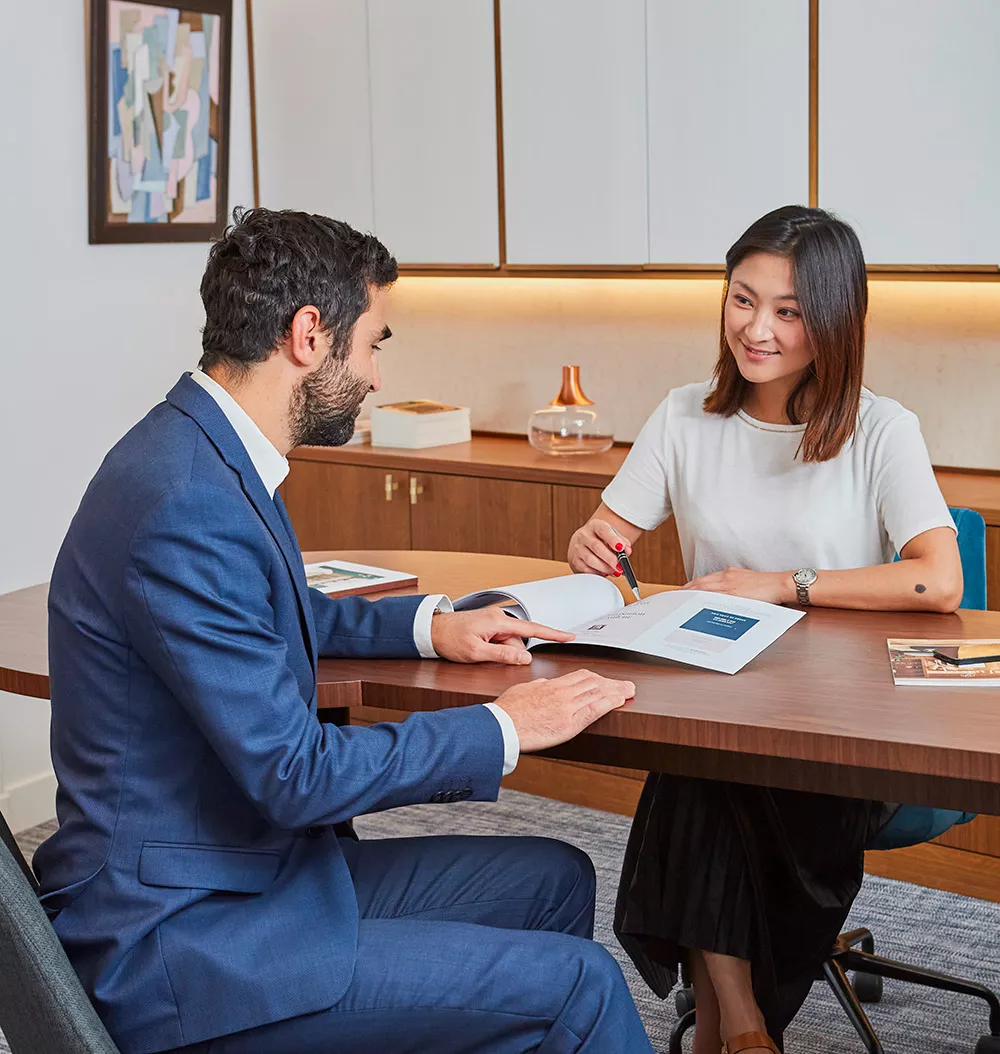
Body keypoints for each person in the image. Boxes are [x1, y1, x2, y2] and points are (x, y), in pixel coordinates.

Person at [34, 207, 655, 1054]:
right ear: (308, 335)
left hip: (244, 882)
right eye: (374, 343)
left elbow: (270, 613)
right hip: (185, 943)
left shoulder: (203, 450)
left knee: (555, 878)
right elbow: (295, 774)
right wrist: (506, 728)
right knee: (579, 989)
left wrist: (435, 625)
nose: (372, 375)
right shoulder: (185, 499)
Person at [567, 205, 962, 1054]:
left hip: (843, 729)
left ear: (833, 320)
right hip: (722, 701)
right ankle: (742, 1032)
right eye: (742, 300)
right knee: (706, 759)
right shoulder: (684, 416)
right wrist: (589, 544)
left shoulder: (879, 429)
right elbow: (607, 542)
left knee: (699, 778)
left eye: (788, 310)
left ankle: (728, 1026)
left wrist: (787, 584)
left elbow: (938, 578)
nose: (758, 329)